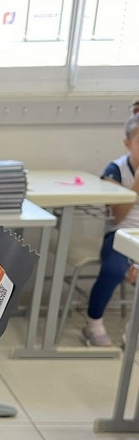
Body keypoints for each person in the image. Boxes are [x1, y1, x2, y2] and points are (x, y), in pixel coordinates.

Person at [83, 113, 139, 347]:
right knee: (114, 268)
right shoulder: (115, 170)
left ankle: (134, 332)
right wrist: (136, 184)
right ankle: (93, 323)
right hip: (119, 233)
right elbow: (117, 216)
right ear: (127, 143)